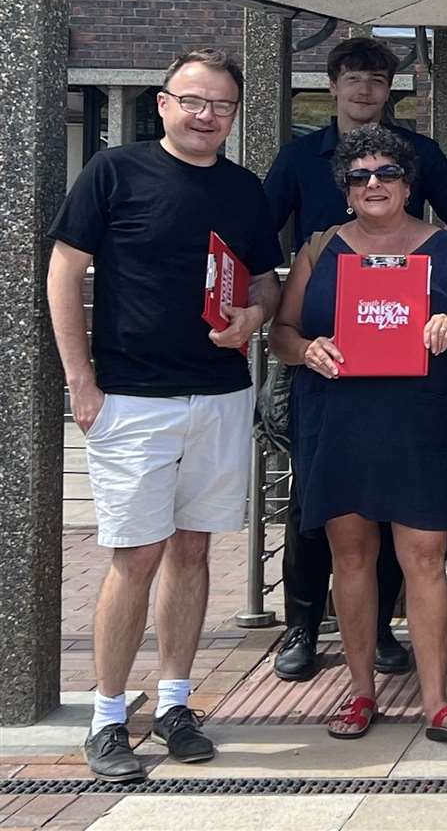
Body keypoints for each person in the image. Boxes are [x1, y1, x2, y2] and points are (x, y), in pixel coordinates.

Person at [48, 49, 284, 782]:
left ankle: (177, 702)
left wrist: (252, 316)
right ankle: (108, 714)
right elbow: (64, 270)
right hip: (131, 396)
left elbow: (267, 280)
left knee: (191, 551)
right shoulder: (114, 171)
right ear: (162, 103)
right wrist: (80, 380)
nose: (206, 115)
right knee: (134, 556)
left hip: (217, 392)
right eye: (194, 101)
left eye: (221, 106)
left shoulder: (245, 190)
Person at [269, 124, 447, 740]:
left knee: (423, 557)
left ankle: (437, 702)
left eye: (387, 174)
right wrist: (306, 349)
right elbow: (282, 334)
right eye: (359, 176)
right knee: (351, 556)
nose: (374, 185)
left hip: (418, 420)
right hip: (337, 417)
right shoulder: (319, 249)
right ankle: (359, 692)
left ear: (408, 183)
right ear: (345, 187)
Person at [264, 36, 447, 683]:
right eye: (353, 78)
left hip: (404, 361)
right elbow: (258, 230)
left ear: (391, 90)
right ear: (332, 84)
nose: (363, 91)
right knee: (312, 502)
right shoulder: (299, 157)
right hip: (324, 357)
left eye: (376, 80)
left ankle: (379, 627)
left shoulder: (421, 155)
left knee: (390, 505)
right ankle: (301, 626)